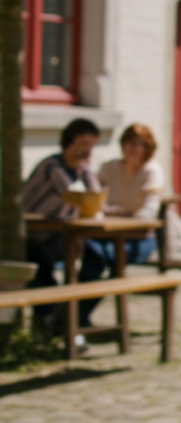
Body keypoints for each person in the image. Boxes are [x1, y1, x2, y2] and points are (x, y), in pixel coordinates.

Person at [21, 118, 106, 335]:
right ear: (69, 142)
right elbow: (77, 197)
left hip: (61, 237)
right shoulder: (52, 166)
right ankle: (48, 327)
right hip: (31, 236)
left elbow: (98, 201)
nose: (88, 151)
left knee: (97, 259)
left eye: (92, 146)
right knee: (43, 273)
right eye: (83, 144)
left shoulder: (83, 171)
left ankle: (74, 317)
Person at [98, 123, 166, 264]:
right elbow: (93, 198)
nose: (131, 148)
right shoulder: (109, 167)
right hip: (107, 233)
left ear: (147, 148)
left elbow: (148, 214)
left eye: (137, 144)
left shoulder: (151, 171)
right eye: (128, 143)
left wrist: (119, 214)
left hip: (138, 238)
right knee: (92, 252)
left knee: (111, 255)